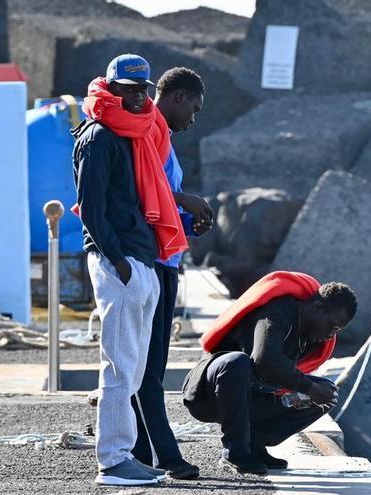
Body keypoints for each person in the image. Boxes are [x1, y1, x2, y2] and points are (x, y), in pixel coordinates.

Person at [72, 53, 187, 486]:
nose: (138, 96)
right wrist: (119, 263)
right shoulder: (98, 136)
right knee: (119, 368)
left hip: (140, 260)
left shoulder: (132, 134)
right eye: (129, 88)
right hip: (120, 262)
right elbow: (93, 211)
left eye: (143, 88)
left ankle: (125, 455)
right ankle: (114, 462)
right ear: (112, 89)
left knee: (134, 369)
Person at [182, 272, 356, 475]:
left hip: (252, 396)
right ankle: (235, 451)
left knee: (328, 393)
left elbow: (280, 375)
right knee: (237, 362)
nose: (330, 336)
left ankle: (254, 443)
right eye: (332, 327)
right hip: (209, 394)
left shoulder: (309, 336)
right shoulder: (276, 311)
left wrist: (315, 391)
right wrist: (309, 387)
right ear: (317, 308)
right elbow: (264, 360)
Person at [129, 67, 213, 480]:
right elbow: (139, 189)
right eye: (193, 109)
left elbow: (161, 204)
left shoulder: (164, 140)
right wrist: (186, 200)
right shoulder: (150, 135)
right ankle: (165, 454)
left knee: (149, 362)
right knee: (149, 363)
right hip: (153, 264)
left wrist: (187, 217)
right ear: (177, 96)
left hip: (166, 261)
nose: (193, 119)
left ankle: (142, 449)